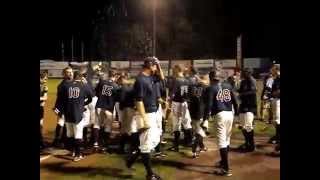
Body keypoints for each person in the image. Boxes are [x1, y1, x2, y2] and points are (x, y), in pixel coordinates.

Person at [126, 57, 163, 180]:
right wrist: (144, 119)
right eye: (155, 65)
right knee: (147, 145)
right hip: (145, 114)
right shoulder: (141, 80)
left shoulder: (150, 77)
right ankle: (150, 174)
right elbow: (139, 101)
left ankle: (133, 156)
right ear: (150, 66)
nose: (156, 68)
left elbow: (161, 77)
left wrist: (158, 65)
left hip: (152, 113)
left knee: (155, 139)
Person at [204, 70, 238, 177]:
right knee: (227, 140)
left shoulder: (211, 88)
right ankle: (223, 162)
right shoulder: (228, 85)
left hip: (220, 115)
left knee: (222, 142)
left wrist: (205, 119)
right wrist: (236, 115)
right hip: (229, 114)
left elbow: (209, 105)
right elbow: (235, 101)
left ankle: (225, 169)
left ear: (211, 78)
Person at [59, 71, 93, 161]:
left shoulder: (66, 86)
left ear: (73, 76)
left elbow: (61, 99)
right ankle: (78, 155)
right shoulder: (84, 85)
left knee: (70, 134)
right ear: (81, 77)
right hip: (78, 113)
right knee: (78, 134)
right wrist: (84, 103)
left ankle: (73, 151)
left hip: (67, 113)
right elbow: (91, 97)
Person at [168, 64, 193, 152]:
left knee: (176, 124)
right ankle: (190, 142)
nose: (173, 70)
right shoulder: (187, 80)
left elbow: (173, 94)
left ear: (178, 69)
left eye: (174, 68)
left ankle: (176, 146)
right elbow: (189, 93)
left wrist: (169, 100)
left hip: (176, 103)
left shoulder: (176, 80)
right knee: (186, 122)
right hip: (184, 102)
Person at [94, 69, 120, 152]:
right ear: (115, 76)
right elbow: (116, 99)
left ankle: (95, 143)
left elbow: (96, 93)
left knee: (97, 125)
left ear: (108, 75)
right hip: (109, 108)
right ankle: (104, 145)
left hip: (99, 106)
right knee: (107, 127)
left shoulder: (102, 82)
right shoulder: (116, 86)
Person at [188, 74, 209, 158]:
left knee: (198, 130)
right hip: (201, 112)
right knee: (200, 131)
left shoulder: (192, 86)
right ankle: (194, 150)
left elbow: (189, 98)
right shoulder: (206, 88)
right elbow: (208, 102)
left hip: (192, 112)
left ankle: (202, 146)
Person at [52, 67, 73, 148]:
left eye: (71, 72)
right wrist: (59, 111)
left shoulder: (72, 83)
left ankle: (64, 140)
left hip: (69, 108)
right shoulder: (62, 85)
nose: (71, 73)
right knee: (61, 123)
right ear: (64, 74)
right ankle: (57, 140)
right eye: (68, 72)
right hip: (63, 108)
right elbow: (60, 100)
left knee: (66, 124)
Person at [237, 68, 257, 152]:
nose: (242, 73)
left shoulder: (252, 80)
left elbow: (253, 91)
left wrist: (241, 94)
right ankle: (247, 142)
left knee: (248, 126)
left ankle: (251, 145)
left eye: (244, 72)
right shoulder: (243, 81)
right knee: (243, 126)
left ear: (249, 73)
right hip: (243, 106)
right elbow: (239, 91)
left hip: (250, 106)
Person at [270, 64, 280, 153]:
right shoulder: (275, 79)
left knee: (278, 120)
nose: (272, 71)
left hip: (279, 101)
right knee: (276, 120)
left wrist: (277, 93)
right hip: (276, 100)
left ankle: (278, 138)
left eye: (274, 69)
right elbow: (273, 92)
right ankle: (277, 136)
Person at [40, 72, 48, 150]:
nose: (46, 80)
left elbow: (45, 98)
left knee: (41, 125)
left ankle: (41, 142)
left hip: (40, 108)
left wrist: (42, 99)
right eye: (45, 79)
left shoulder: (45, 87)